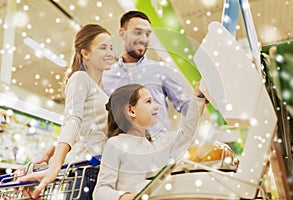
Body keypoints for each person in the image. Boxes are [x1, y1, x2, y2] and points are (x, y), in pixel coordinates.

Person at [16, 24, 114, 199]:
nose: (110, 53)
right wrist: (56, 165)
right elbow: (73, 120)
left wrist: (49, 153)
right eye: (103, 47)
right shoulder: (80, 78)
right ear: (86, 53)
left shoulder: (101, 92)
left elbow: (83, 130)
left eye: (111, 47)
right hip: (87, 172)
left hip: (99, 172)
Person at [93, 83, 206, 200]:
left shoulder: (158, 142)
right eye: (148, 102)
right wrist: (127, 197)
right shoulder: (116, 145)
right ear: (131, 111)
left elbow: (186, 132)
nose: (156, 106)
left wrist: (198, 97)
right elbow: (100, 191)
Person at [102, 10, 195, 134]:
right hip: (122, 149)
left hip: (159, 149)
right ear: (122, 34)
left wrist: (199, 98)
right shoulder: (106, 77)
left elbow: (187, 106)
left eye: (147, 34)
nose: (143, 39)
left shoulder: (162, 70)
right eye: (138, 32)